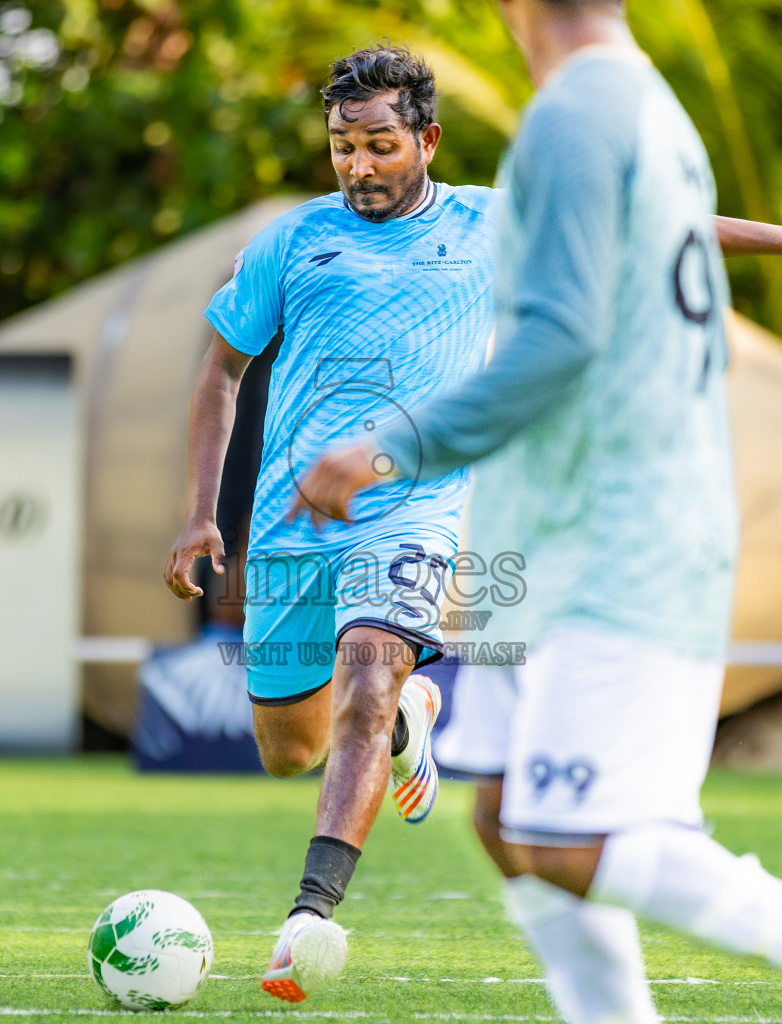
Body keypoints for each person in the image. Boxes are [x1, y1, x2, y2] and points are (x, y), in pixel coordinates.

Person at [168, 38, 782, 1015]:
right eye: (341, 145)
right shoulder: (292, 240)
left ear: (427, 137)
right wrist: (203, 512)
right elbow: (219, 372)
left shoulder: (493, 221)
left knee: (373, 668)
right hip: (292, 527)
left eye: (376, 143)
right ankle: (415, 719)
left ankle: (313, 912)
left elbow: (661, 225)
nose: (358, 164)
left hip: (415, 506)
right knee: (291, 746)